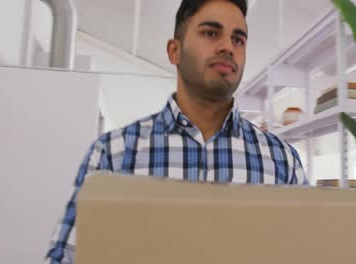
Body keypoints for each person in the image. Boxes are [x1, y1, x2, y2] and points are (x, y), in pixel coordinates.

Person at [46, 0, 307, 263]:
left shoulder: (282, 161)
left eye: (238, 39)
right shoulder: (114, 153)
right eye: (210, 33)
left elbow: (305, 253)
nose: (228, 47)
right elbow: (65, 256)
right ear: (175, 51)